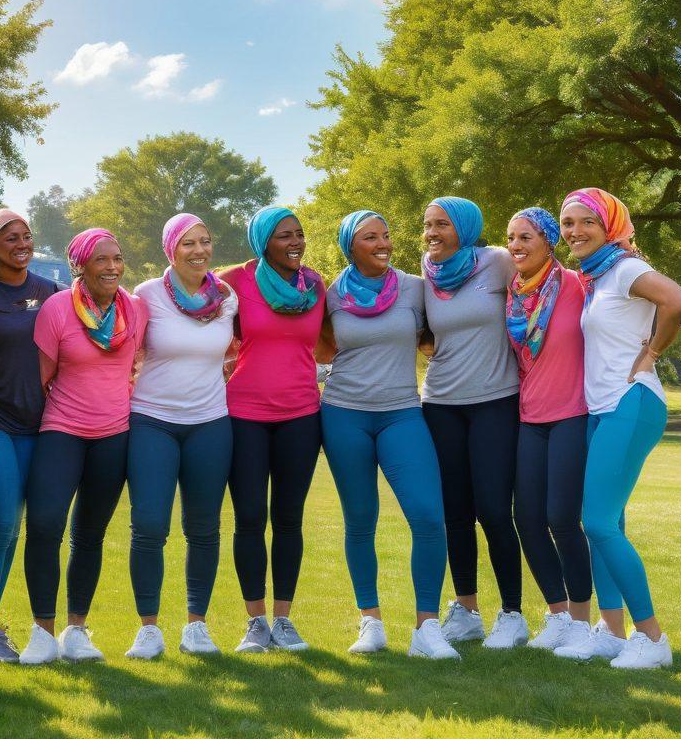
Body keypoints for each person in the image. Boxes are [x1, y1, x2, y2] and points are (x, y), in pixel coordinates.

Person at [552, 188, 681, 669]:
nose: (574, 232)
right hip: (601, 407)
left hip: (631, 402)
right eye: (568, 223)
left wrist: (651, 354)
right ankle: (612, 632)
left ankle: (652, 639)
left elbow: (675, 299)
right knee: (607, 524)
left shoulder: (626, 267)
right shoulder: (600, 275)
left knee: (599, 522)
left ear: (610, 223)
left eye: (586, 221)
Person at [321, 210, 458, 660]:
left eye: (385, 235)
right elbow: (320, 348)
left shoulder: (415, 288)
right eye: (369, 237)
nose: (382, 243)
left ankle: (427, 627)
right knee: (360, 520)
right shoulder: (331, 294)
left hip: (402, 413)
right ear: (350, 246)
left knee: (427, 516)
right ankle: (371, 622)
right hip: (344, 415)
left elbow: (434, 338)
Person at [19, 228, 146, 664]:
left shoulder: (135, 310)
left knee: (89, 535)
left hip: (114, 435)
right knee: (44, 525)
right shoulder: (57, 309)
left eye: (117, 257)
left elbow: (135, 366)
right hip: (62, 431)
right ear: (80, 266)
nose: (112, 267)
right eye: (101, 260)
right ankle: (41, 631)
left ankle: (76, 630)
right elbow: (41, 376)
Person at [218, 205, 332, 655]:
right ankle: (255, 622)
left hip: (302, 416)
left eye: (299, 234)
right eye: (284, 235)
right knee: (249, 519)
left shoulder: (316, 286)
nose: (295, 242)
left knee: (289, 519)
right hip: (243, 415)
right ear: (263, 241)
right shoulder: (234, 282)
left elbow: (328, 342)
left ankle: (284, 622)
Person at [124, 214, 238, 660]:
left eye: (205, 242)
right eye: (188, 243)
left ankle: (197, 626)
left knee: (204, 529)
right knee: (150, 525)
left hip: (211, 422)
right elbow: (124, 351)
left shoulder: (227, 298)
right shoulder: (147, 295)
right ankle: (149, 629)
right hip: (152, 421)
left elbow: (242, 348)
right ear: (170, 249)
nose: (199, 251)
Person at [420, 196, 528, 649]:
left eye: (442, 224)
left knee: (493, 511)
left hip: (495, 402)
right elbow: (424, 332)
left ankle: (513, 615)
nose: (432, 233)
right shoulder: (424, 274)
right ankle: (466, 611)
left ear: (464, 226)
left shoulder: (499, 262)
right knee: (455, 514)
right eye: (427, 225)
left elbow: (547, 288)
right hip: (440, 404)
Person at [0, 209, 63, 663]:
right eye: (10, 238)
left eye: (26, 236)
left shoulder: (50, 292)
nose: (22, 244)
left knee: (16, 529)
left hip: (41, 424)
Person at [505, 207, 592, 652]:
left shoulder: (578, 285)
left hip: (572, 414)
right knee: (528, 519)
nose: (517, 246)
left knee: (562, 517)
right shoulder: (512, 294)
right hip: (529, 418)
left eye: (526, 237)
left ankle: (582, 620)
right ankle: (557, 615)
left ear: (549, 241)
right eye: (511, 238)